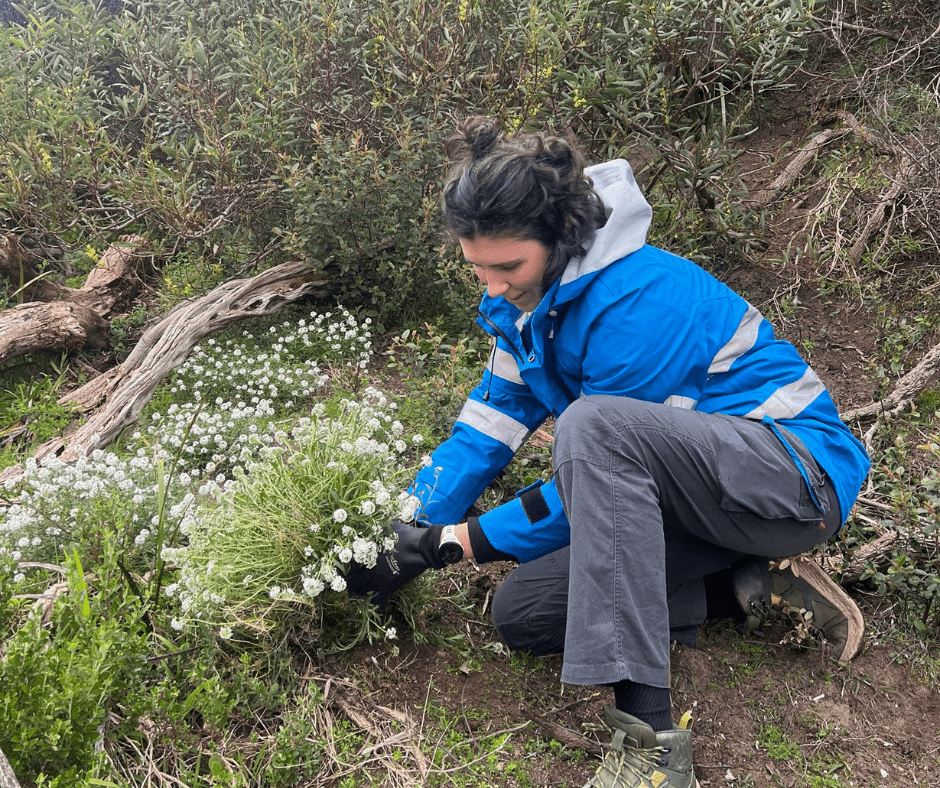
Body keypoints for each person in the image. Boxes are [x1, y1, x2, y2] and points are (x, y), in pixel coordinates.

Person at [345, 116, 870, 788]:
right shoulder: (526, 306)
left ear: (561, 239)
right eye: (476, 267)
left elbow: (594, 480)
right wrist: (404, 523)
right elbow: (489, 423)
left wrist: (452, 543)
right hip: (704, 500)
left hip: (794, 478)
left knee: (591, 428)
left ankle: (651, 750)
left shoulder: (638, 300)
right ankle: (743, 584)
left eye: (508, 267)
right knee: (524, 613)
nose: (492, 287)